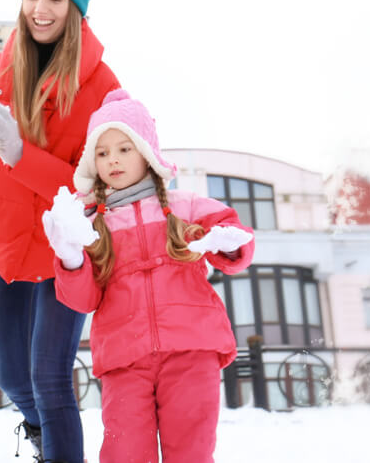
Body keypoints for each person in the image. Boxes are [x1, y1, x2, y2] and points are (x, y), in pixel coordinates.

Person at [0, 0, 120, 460]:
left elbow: (96, 183)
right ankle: (49, 439)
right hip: (2, 247)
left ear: (76, 7)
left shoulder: (102, 87)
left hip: (63, 248)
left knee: (49, 376)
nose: (40, 9)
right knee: (13, 375)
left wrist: (21, 155)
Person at [42, 89, 255, 462]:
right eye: (103, 152)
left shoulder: (183, 206)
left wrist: (226, 242)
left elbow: (233, 243)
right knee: (124, 453)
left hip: (192, 350)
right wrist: (71, 259)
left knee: (191, 450)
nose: (113, 160)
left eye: (124, 149)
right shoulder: (90, 224)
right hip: (125, 360)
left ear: (146, 151)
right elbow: (84, 299)